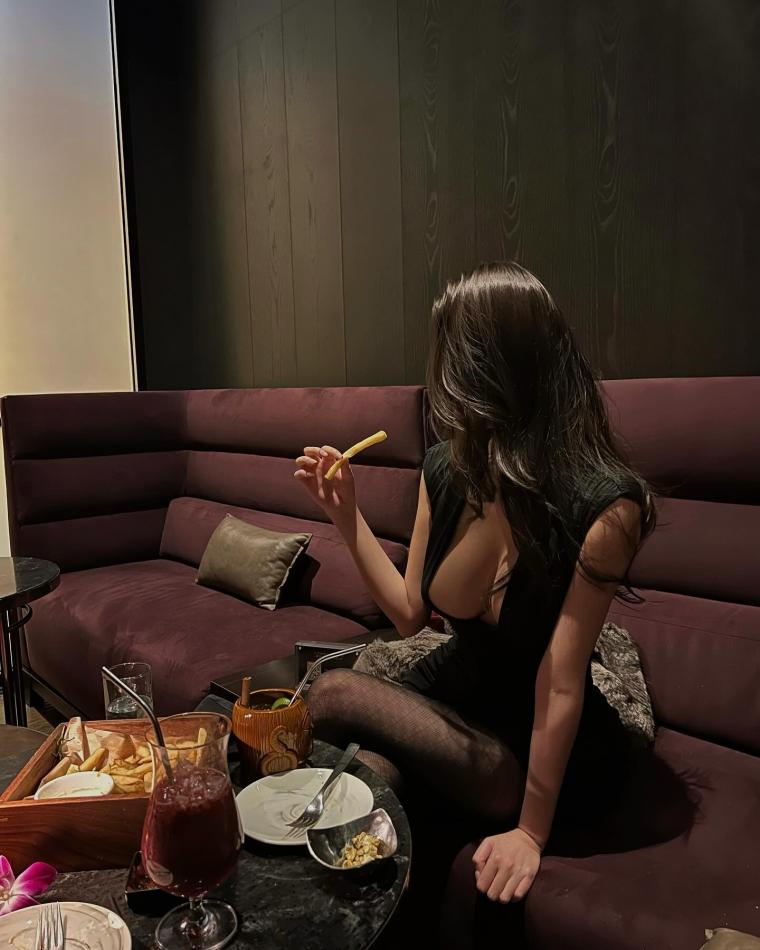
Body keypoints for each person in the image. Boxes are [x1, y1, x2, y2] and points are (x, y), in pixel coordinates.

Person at [293, 261, 655, 905]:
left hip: (539, 741)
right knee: (372, 778)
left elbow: (561, 680)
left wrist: (531, 834)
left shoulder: (605, 507)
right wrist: (345, 516)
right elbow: (409, 614)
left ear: (489, 371)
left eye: (449, 361)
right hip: (455, 694)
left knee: (331, 692)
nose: (441, 383)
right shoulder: (446, 469)